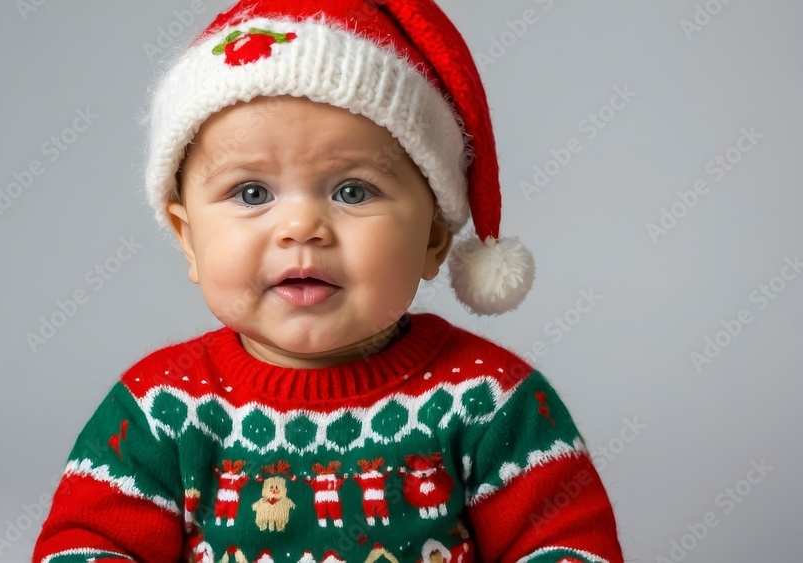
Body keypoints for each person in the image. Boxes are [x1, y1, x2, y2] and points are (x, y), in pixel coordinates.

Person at [33, 1, 624, 561]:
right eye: (251, 193)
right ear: (188, 238)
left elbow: (565, 543)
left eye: (353, 191)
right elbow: (89, 544)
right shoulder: (160, 408)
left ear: (434, 240)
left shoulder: (490, 401)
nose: (301, 228)